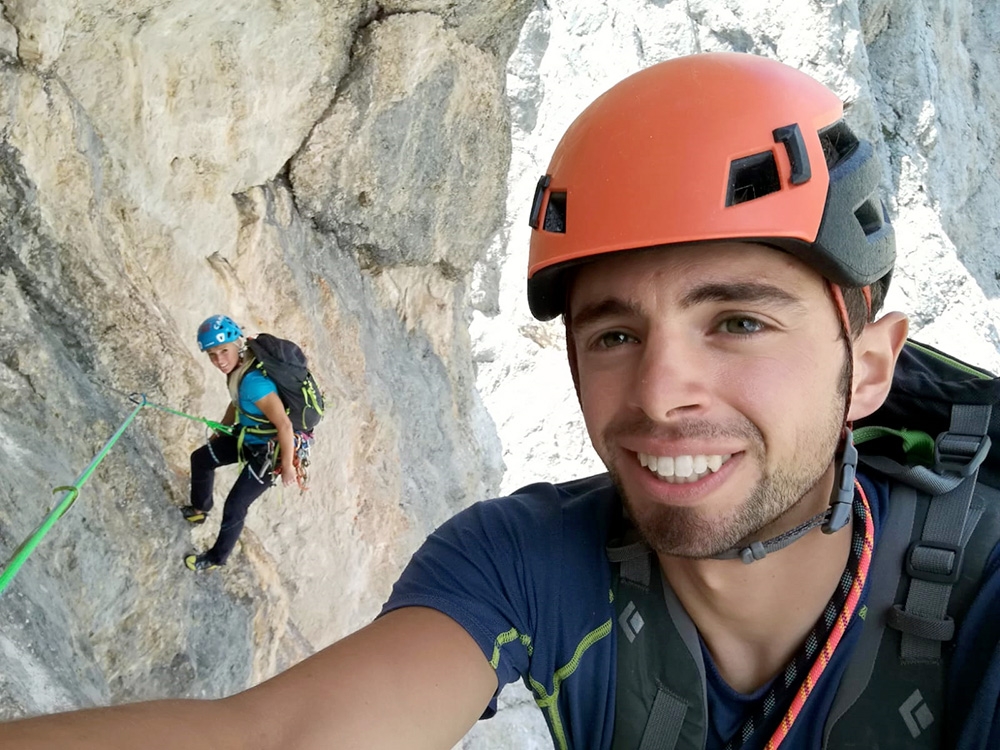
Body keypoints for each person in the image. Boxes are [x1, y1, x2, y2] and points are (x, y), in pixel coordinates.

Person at [3, 52, 999, 749]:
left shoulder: (981, 580)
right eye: (612, 334)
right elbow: (276, 737)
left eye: (737, 321)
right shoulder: (524, 561)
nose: (658, 393)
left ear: (868, 365)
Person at [180, 314, 296, 572]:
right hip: (248, 436)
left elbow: (285, 425)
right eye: (212, 354)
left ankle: (216, 559)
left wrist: (287, 465)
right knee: (202, 458)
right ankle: (200, 509)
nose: (219, 360)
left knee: (235, 505)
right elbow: (235, 402)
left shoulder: (255, 383)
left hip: (269, 453)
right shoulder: (238, 370)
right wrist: (220, 431)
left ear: (237, 344)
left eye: (224, 351)